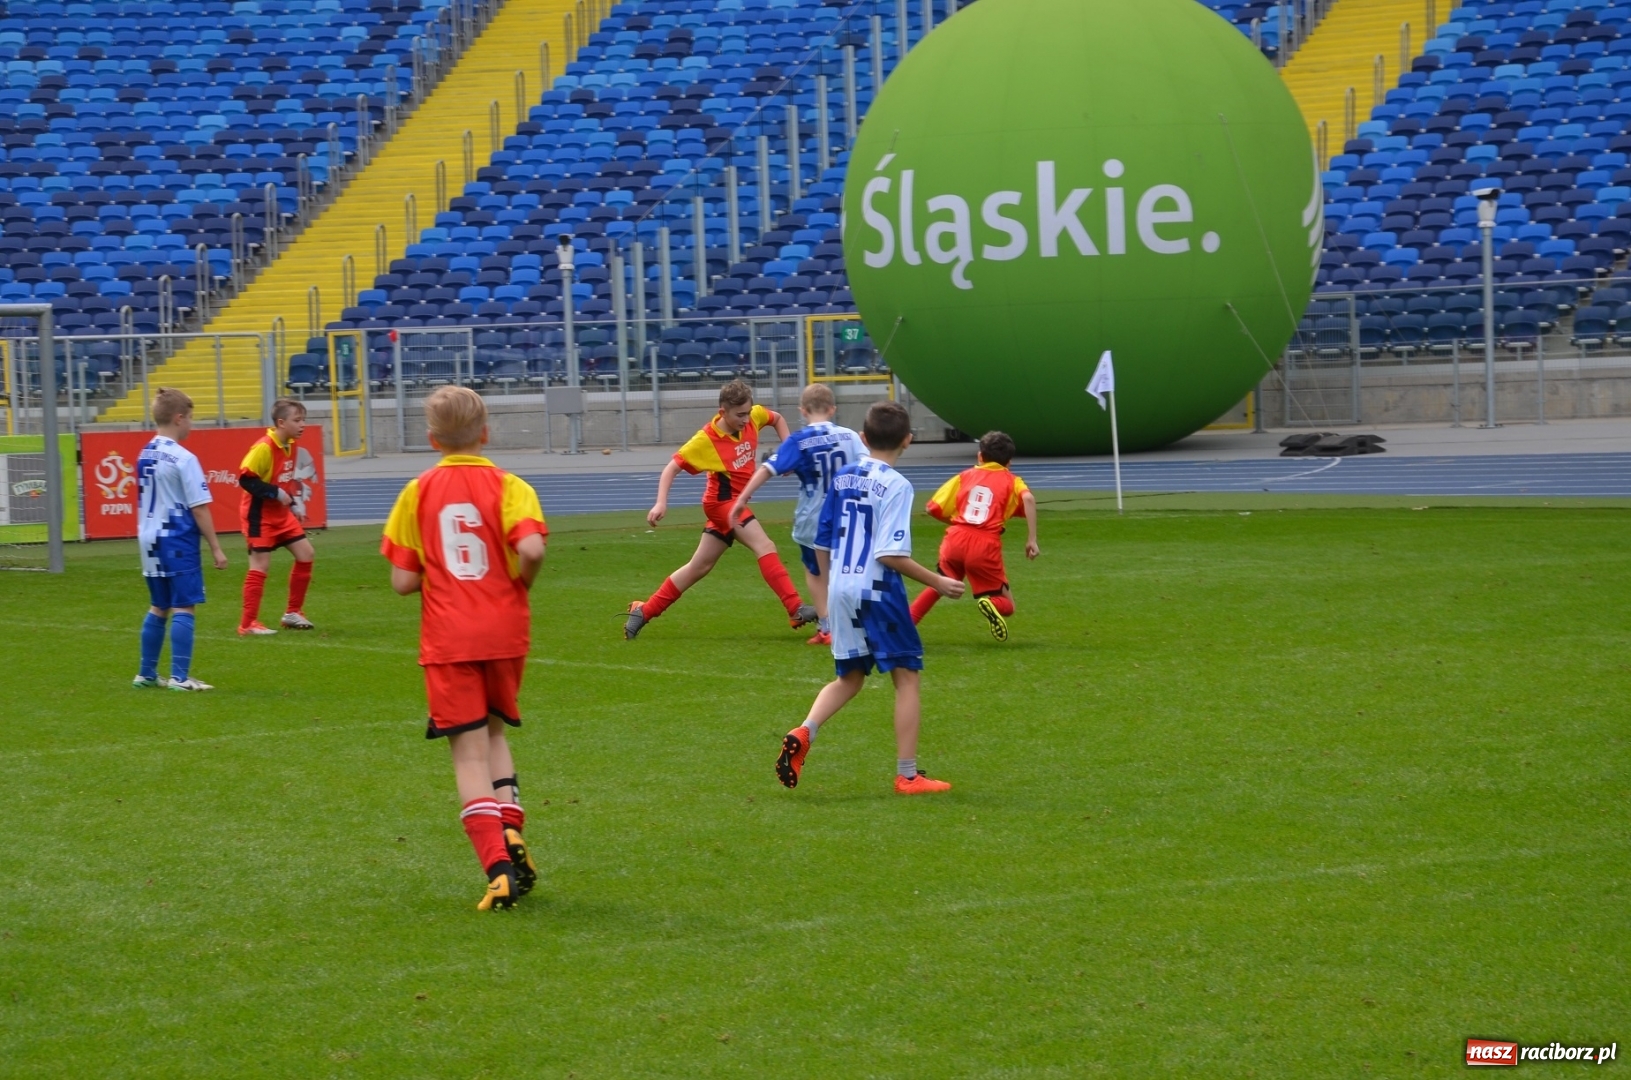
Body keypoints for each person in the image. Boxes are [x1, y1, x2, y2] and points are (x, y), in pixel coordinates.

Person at [382, 386, 548, 912]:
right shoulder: (510, 486)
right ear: (486, 432)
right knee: (495, 733)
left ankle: (498, 867)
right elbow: (532, 547)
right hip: (505, 631)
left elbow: (402, 582)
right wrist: (519, 582)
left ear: (432, 439)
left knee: (468, 752)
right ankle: (513, 831)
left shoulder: (418, 491)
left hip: (450, 636)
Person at [775, 401, 965, 795]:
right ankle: (908, 776)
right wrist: (938, 582)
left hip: (841, 588)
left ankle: (804, 731)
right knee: (907, 677)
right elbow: (889, 554)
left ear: (863, 438)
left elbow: (821, 539)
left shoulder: (844, 476)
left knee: (850, 676)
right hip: (877, 590)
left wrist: (828, 590)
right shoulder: (897, 485)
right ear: (908, 440)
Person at [624, 379, 816, 639]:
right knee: (765, 545)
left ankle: (644, 611)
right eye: (739, 415)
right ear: (722, 412)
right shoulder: (706, 439)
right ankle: (795, 608)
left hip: (735, 503)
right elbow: (672, 468)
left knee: (698, 567)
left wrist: (787, 452)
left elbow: (778, 418)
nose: (747, 419)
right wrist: (661, 502)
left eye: (748, 412)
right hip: (721, 504)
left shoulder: (753, 416)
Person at [727, 383, 865, 647]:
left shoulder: (799, 441)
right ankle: (854, 623)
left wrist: (742, 498)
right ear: (832, 409)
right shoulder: (850, 437)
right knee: (845, 570)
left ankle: (827, 627)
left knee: (815, 573)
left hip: (812, 519)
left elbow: (768, 468)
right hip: (848, 517)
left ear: (802, 411)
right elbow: (869, 466)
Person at [134, 388, 229, 691]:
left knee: (158, 605)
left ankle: (146, 673)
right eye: (190, 419)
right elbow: (199, 508)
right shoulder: (184, 458)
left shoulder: (144, 452)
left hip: (148, 538)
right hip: (176, 537)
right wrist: (216, 548)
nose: (191, 425)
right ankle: (179, 677)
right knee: (184, 605)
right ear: (178, 418)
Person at [909, 431, 1040, 641]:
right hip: (985, 544)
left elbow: (932, 508)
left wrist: (957, 523)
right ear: (1009, 462)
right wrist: (1031, 539)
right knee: (1007, 606)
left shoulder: (965, 476)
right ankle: (991, 604)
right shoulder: (1012, 481)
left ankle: (907, 624)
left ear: (980, 457)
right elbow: (1029, 500)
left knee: (940, 584)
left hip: (955, 539)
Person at [237, 398, 318, 636]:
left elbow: (280, 481)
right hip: (258, 515)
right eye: (297, 420)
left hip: (280, 513)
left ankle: (293, 612)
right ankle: (247, 624)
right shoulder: (263, 447)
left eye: (303, 419)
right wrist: (277, 493)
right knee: (260, 566)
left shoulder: (291, 445)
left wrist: (293, 503)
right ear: (281, 423)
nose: (303, 424)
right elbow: (246, 479)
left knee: (306, 554)